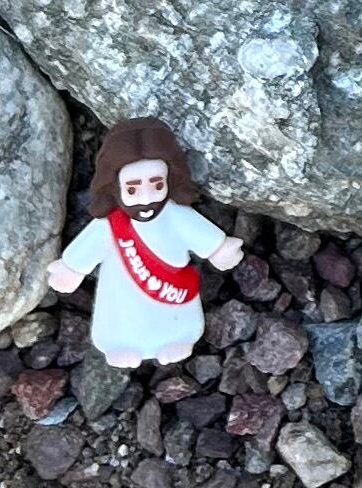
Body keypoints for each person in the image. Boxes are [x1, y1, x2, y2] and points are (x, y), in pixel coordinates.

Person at [47, 118, 246, 368]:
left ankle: (179, 337)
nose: (146, 198)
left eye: (157, 185)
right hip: (120, 295)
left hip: (173, 292)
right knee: (120, 313)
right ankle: (119, 344)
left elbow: (199, 234)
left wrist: (219, 248)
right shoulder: (110, 224)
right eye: (132, 189)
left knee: (174, 318)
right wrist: (72, 268)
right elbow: (89, 246)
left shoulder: (175, 215)